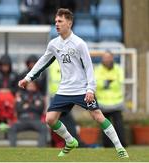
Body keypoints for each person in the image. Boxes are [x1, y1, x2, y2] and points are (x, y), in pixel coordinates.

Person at [18, 8, 129, 158]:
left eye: (60, 21)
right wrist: (28, 78)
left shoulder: (79, 44)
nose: (56, 24)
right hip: (64, 89)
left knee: (98, 116)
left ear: (69, 23)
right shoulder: (53, 44)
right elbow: (43, 61)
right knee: (50, 119)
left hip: (82, 89)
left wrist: (90, 89)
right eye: (55, 21)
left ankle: (120, 148)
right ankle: (70, 141)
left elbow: (89, 67)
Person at [94, 51, 127, 147]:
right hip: (103, 103)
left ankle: (122, 144)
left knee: (119, 125)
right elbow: (96, 83)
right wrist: (108, 82)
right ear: (102, 59)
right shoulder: (98, 69)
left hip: (117, 103)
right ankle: (107, 145)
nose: (107, 59)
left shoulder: (118, 68)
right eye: (105, 57)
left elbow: (120, 82)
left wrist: (105, 83)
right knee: (105, 126)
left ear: (112, 58)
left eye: (109, 57)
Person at [8, 81, 48, 147]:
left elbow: (40, 109)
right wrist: (34, 105)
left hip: (35, 119)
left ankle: (40, 149)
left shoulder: (40, 95)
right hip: (23, 119)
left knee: (44, 128)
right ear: (26, 86)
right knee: (12, 127)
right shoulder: (21, 95)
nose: (31, 87)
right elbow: (18, 109)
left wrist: (27, 105)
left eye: (33, 85)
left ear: (35, 87)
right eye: (29, 85)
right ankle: (13, 149)